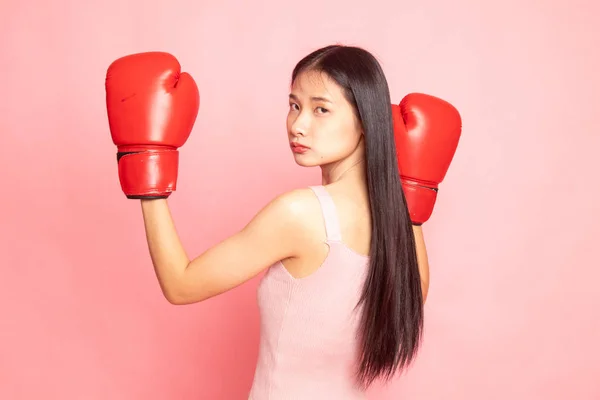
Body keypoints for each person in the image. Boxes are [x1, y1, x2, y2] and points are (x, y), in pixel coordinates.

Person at [105, 44, 461, 399]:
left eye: (321, 109)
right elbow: (415, 296)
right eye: (294, 105)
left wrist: (146, 162)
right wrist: (414, 192)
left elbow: (180, 285)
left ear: (366, 121)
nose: (298, 125)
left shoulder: (301, 213)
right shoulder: (400, 226)